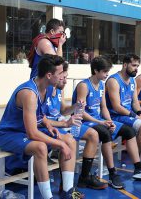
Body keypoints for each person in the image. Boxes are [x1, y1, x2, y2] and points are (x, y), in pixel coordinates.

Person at [0, 54, 84, 199]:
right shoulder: (29, 93)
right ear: (49, 75)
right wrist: (60, 144)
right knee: (41, 147)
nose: (63, 76)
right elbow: (33, 134)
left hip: (25, 131)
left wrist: (49, 124)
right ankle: (48, 197)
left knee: (69, 139)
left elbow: (40, 113)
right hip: (10, 134)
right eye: (61, 73)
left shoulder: (47, 88)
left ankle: (68, 191)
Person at [73, 56, 141, 184]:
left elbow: (104, 107)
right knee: (105, 132)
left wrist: (109, 121)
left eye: (108, 71)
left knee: (129, 132)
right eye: (104, 72)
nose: (107, 74)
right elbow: (80, 112)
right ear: (96, 71)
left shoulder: (101, 84)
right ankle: (113, 173)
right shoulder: (84, 86)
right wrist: (101, 122)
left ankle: (138, 169)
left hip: (98, 120)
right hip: (84, 122)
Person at [42, 62, 109, 190]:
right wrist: (64, 123)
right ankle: (66, 185)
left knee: (93, 135)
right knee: (70, 141)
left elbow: (63, 111)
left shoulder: (59, 90)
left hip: (61, 124)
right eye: (64, 77)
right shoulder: (45, 90)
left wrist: (75, 107)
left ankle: (84, 177)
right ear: (55, 75)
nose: (66, 81)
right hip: (50, 127)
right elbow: (40, 119)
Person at [105, 54, 141, 176]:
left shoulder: (132, 81)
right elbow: (116, 107)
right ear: (125, 65)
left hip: (128, 115)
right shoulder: (113, 81)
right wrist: (135, 116)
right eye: (134, 65)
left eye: (137, 66)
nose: (136, 69)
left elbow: (135, 101)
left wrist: (140, 113)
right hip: (115, 116)